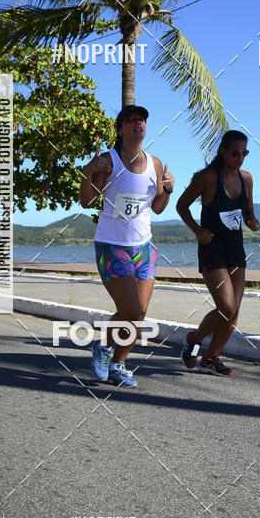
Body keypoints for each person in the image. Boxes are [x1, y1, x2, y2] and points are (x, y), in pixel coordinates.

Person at [79, 105, 174, 388]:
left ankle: (118, 364)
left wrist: (168, 190)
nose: (138, 124)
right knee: (130, 309)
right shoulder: (108, 161)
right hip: (112, 244)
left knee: (140, 313)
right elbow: (87, 202)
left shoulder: (155, 163)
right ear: (120, 129)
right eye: (131, 120)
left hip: (144, 245)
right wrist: (88, 170)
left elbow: (157, 208)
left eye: (142, 120)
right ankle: (103, 348)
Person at [176, 130, 260, 376]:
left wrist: (253, 222)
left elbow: (248, 213)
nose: (240, 157)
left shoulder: (247, 178)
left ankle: (211, 358)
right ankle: (194, 339)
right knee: (226, 306)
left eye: (244, 153)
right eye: (235, 152)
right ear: (223, 151)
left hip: (236, 249)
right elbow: (181, 205)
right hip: (212, 249)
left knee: (234, 312)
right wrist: (197, 230)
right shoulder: (208, 178)